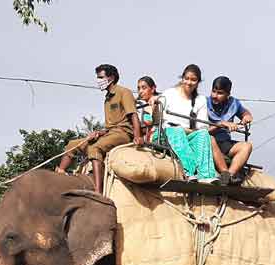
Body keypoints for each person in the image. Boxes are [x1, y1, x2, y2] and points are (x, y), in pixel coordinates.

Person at [56, 64, 143, 193]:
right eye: (98, 78)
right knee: (73, 144)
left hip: (123, 133)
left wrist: (137, 136)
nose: (98, 81)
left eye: (101, 77)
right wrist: (99, 133)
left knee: (94, 148)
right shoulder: (107, 98)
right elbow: (110, 125)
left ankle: (98, 191)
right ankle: (60, 173)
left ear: (111, 78)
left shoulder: (124, 92)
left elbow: (133, 115)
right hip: (110, 133)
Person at [154, 64, 219, 181]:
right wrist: (155, 103)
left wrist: (187, 131)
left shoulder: (200, 100)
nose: (189, 82)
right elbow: (157, 119)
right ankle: (189, 171)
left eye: (193, 80)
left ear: (198, 82)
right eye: (187, 79)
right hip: (166, 133)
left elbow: (202, 127)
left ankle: (206, 175)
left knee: (204, 135)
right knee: (177, 131)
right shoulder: (169, 93)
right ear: (182, 78)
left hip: (187, 133)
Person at [207, 76, 254, 181]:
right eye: (213, 91)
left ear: (228, 95)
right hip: (206, 141)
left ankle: (228, 176)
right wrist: (221, 124)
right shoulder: (203, 103)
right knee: (210, 139)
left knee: (247, 146)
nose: (215, 96)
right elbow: (201, 131)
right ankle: (224, 173)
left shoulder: (233, 104)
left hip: (224, 142)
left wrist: (246, 117)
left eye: (220, 93)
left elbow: (244, 113)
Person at [136, 76, 160, 142]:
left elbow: (148, 122)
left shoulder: (160, 100)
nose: (140, 91)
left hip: (156, 133)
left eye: (144, 88)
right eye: (138, 88)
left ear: (153, 89)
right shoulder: (139, 104)